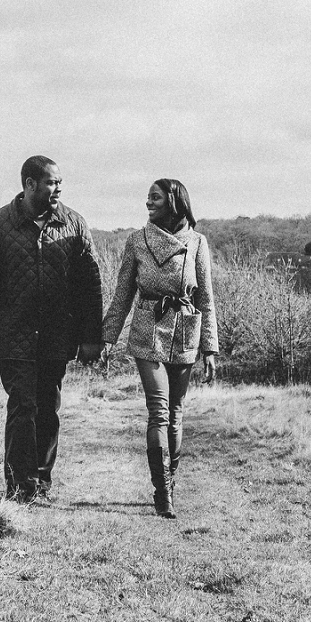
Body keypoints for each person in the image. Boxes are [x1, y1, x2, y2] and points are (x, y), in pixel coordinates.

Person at [0, 155, 107, 503]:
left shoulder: (74, 223)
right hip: (14, 336)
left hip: (58, 335)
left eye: (59, 182)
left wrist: (91, 338)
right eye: (51, 182)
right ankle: (18, 486)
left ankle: (41, 481)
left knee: (48, 409)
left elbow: (90, 284)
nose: (58, 188)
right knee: (22, 407)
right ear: (29, 184)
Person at [102, 177, 217, 518]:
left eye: (154, 197)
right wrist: (108, 337)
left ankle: (170, 483)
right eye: (147, 198)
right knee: (160, 411)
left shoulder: (197, 242)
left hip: (184, 331)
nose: (148, 203)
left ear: (173, 200)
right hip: (148, 329)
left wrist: (210, 348)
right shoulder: (137, 241)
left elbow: (207, 298)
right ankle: (162, 492)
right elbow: (123, 293)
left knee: (176, 414)